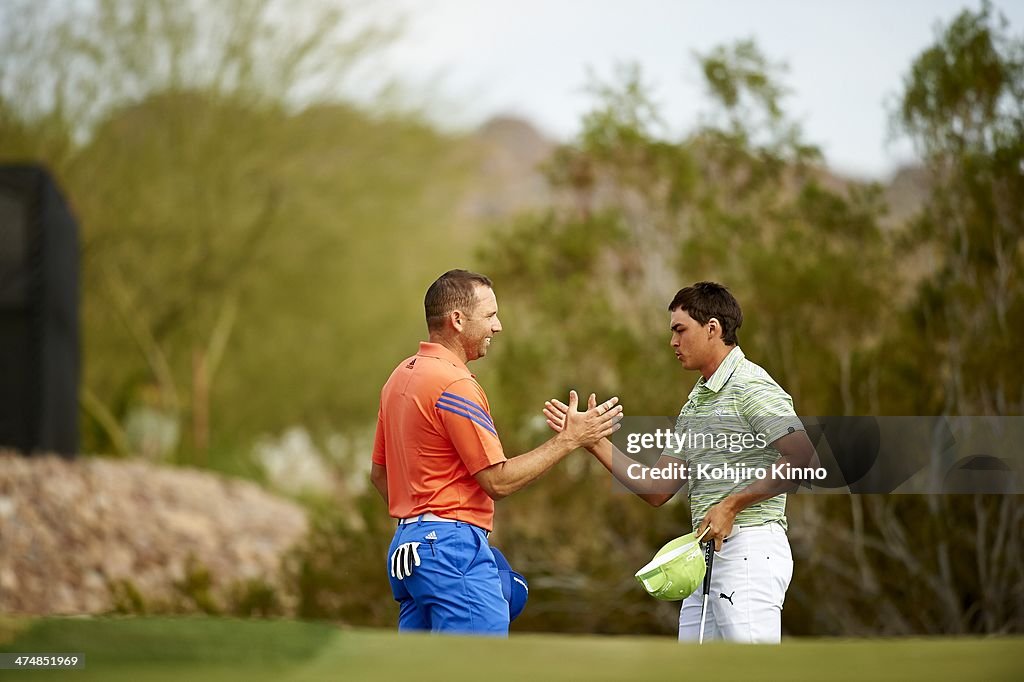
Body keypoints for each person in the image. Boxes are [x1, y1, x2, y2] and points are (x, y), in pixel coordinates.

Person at [544, 281, 817, 644]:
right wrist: (592, 441)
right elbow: (658, 488)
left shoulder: (751, 386)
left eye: (679, 330)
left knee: (751, 673)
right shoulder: (696, 403)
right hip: (703, 558)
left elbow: (802, 457)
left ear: (713, 329)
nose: (673, 341)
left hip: (749, 550)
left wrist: (732, 505)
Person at [370, 269, 623, 636]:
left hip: (407, 553)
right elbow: (498, 480)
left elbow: (380, 475)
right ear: (457, 320)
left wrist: (420, 518)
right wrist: (570, 438)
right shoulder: (454, 384)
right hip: (449, 552)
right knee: (478, 668)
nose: (498, 326)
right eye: (489, 315)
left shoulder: (399, 377)